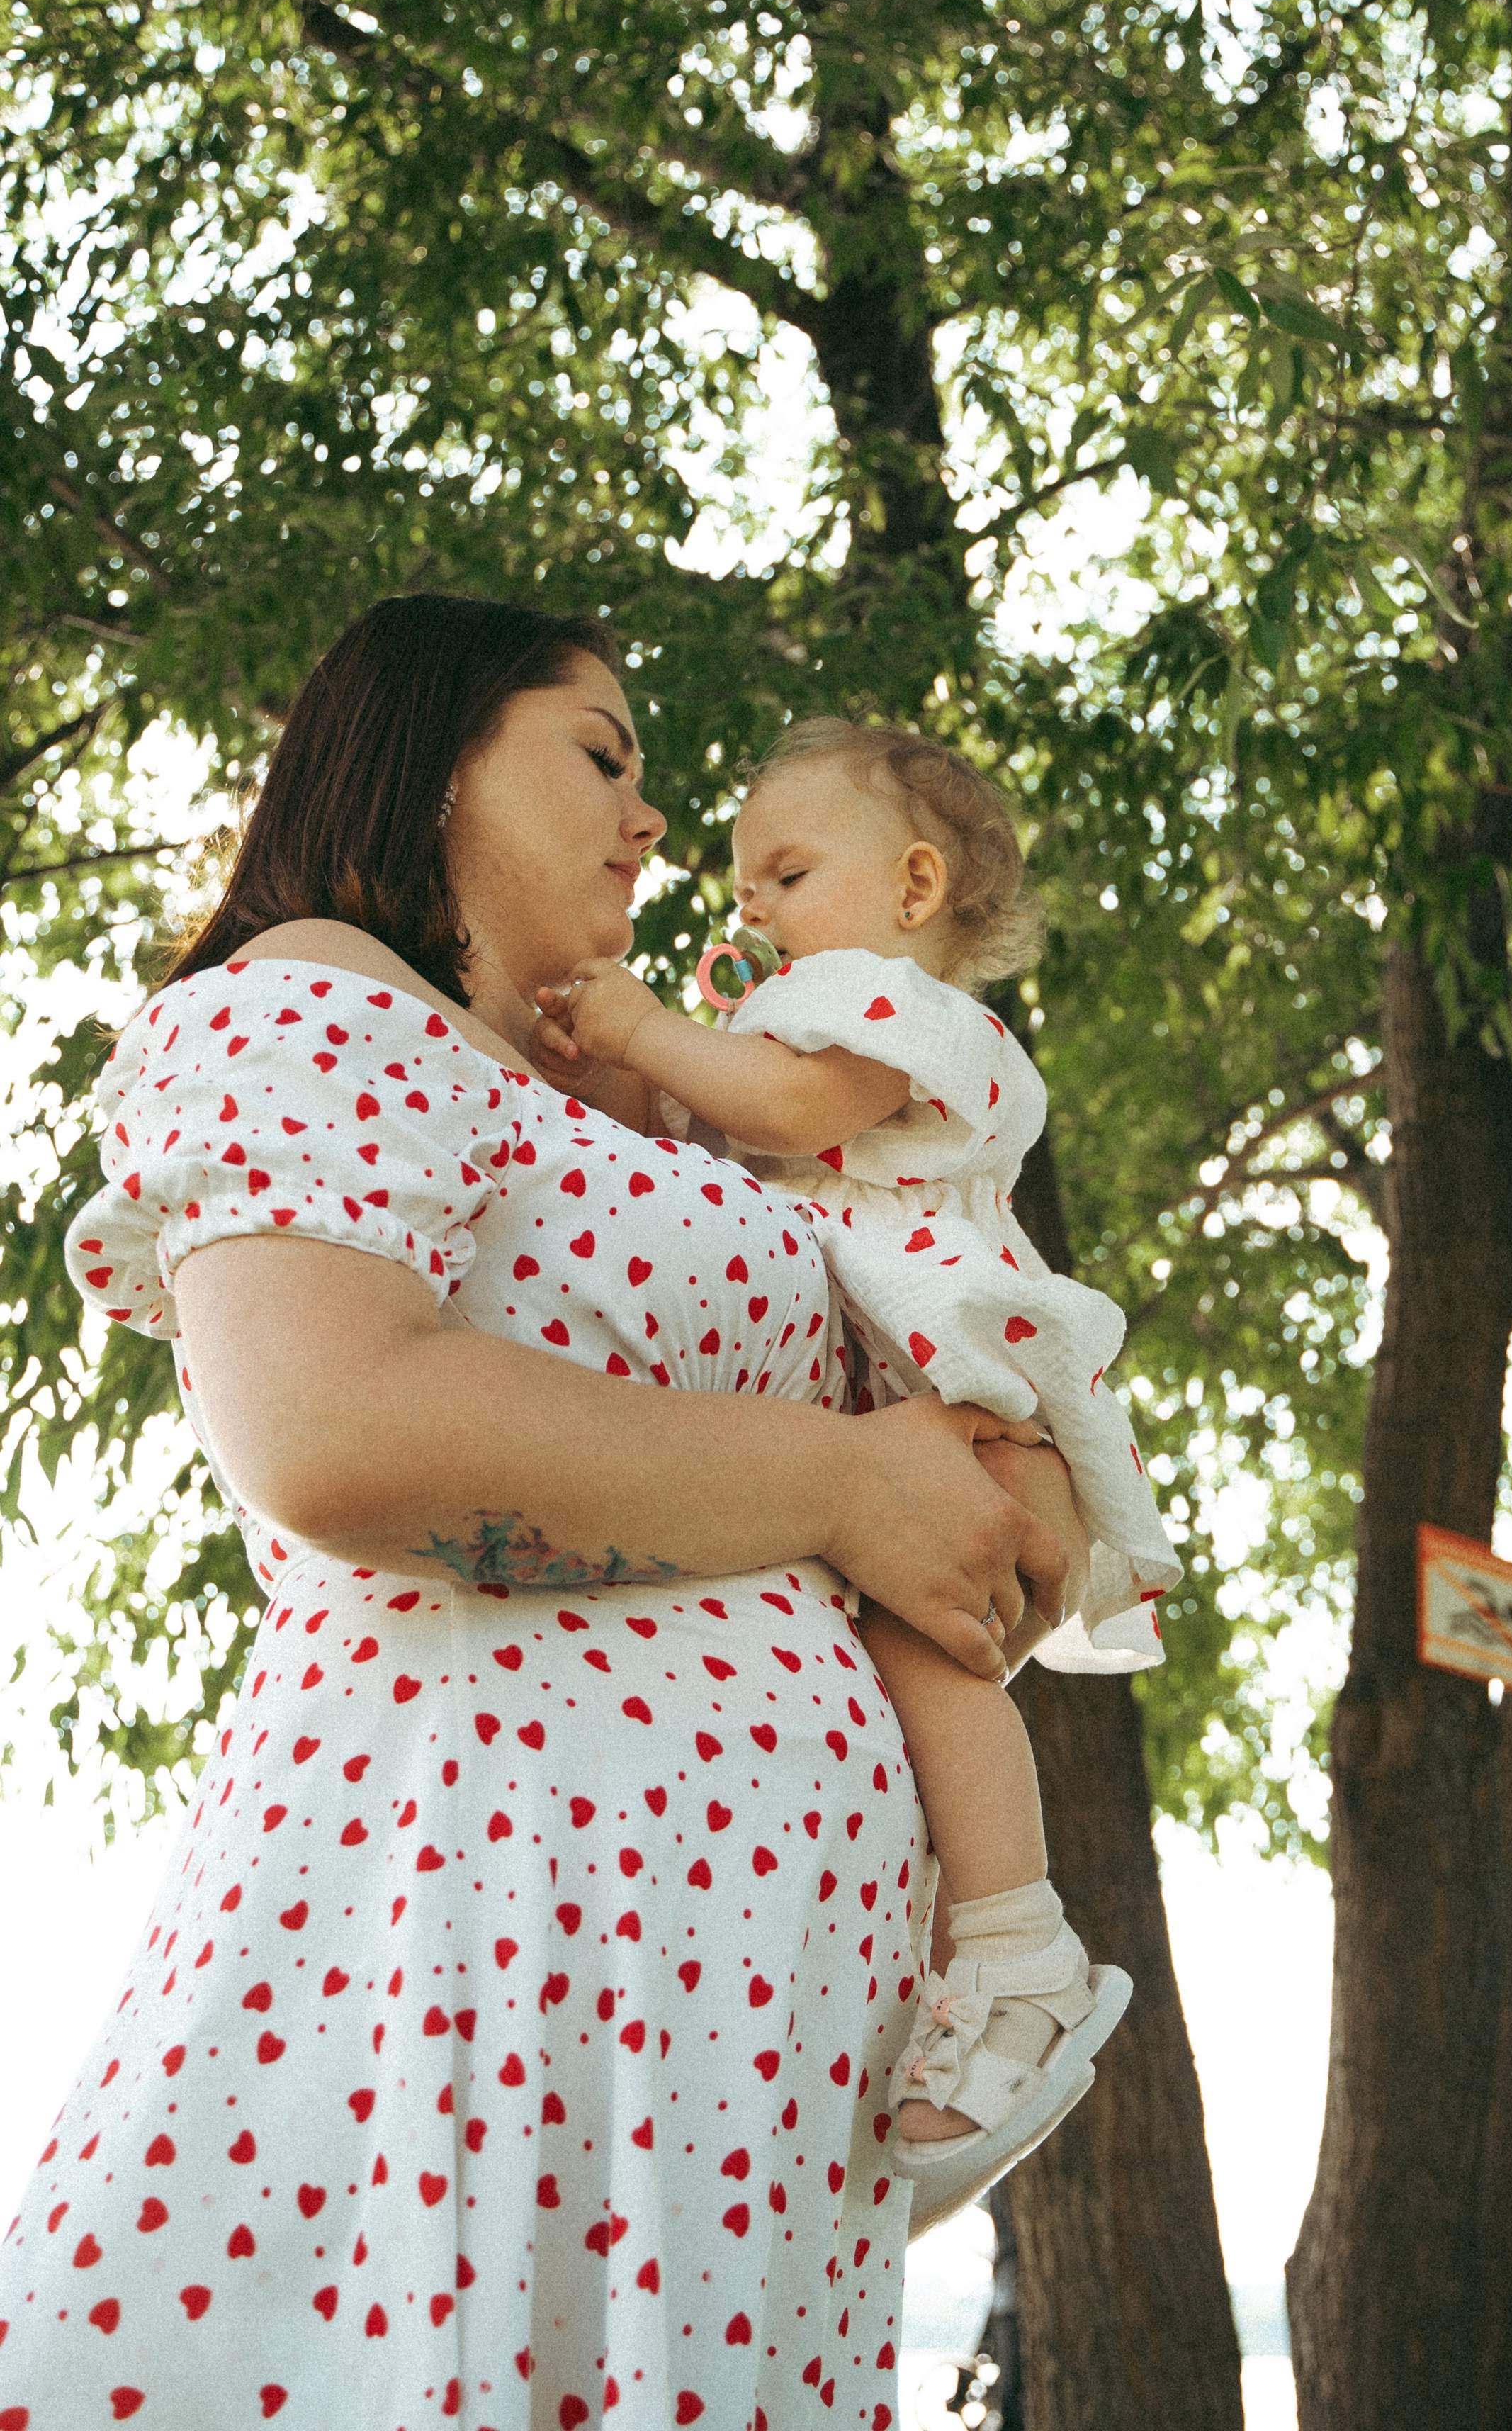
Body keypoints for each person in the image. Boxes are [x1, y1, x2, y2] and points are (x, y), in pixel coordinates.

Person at [0, 595, 1082, 2431]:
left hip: (746, 2017)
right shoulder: (318, 995)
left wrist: (1005, 1466)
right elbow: (337, 1425)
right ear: (431, 756)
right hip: (496, 1926)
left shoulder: (651, 1120)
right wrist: (845, 1481)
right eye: (599, 755)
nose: (652, 821)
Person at [531, 717, 1181, 2229]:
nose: (753, 907)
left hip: (977, 1409)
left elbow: (789, 1113)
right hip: (933, 1411)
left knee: (925, 1662)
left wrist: (636, 1029)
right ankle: (960, 1974)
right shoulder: (815, 1007)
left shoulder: (885, 1009)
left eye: (787, 872)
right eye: (746, 886)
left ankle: (1018, 1949)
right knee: (903, 1691)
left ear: (912, 886)